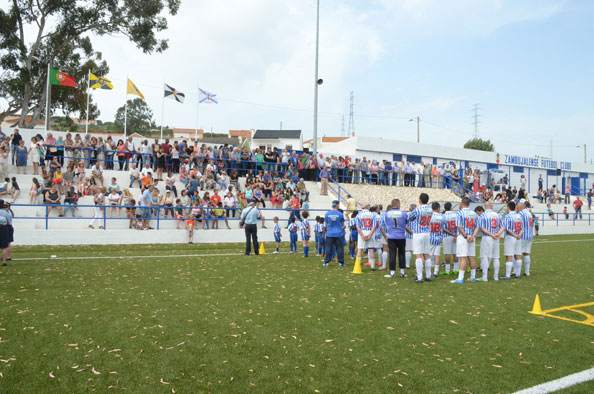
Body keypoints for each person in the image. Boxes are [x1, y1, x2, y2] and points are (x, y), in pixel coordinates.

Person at [451, 197, 479, 284]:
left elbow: (459, 227)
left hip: (463, 237)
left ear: (462, 204)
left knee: (462, 258)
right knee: (471, 257)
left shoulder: (459, 213)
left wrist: (466, 237)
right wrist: (473, 236)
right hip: (471, 236)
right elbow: (477, 226)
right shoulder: (474, 213)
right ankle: (473, 277)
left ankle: (460, 278)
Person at [407, 193, 433, 283]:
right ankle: (428, 275)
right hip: (427, 233)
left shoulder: (417, 210)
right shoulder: (430, 210)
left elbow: (409, 218)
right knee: (426, 254)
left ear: (420, 200)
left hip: (418, 233)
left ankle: (419, 277)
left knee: (418, 255)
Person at [479, 201, 504, 281]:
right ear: (491, 206)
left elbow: (482, 228)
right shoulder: (497, 215)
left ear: (485, 207)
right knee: (496, 257)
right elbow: (503, 227)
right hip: (496, 238)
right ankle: (496, 276)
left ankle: (485, 277)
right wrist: (497, 234)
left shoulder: (482, 215)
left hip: (487, 237)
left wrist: (491, 234)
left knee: (485, 257)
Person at [384, 199, 408, 279]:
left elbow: (386, 223)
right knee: (401, 254)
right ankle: (402, 272)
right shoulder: (403, 213)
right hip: (401, 236)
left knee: (392, 254)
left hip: (391, 236)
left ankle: (392, 273)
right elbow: (406, 222)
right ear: (397, 204)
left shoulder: (387, 213)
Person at [502, 201, 523, 280]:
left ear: (508, 208)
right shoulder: (519, 216)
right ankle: (518, 274)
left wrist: (514, 235)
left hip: (510, 237)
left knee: (509, 255)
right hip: (518, 237)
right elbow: (522, 228)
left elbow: (508, 229)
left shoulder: (507, 217)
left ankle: (508, 275)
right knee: (518, 255)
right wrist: (519, 235)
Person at [355, 203, 378, 270]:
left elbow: (358, 226)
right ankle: (372, 266)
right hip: (370, 231)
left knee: (360, 249)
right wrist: (370, 234)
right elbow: (374, 226)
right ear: (368, 207)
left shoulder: (359, 215)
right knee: (371, 249)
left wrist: (362, 235)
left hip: (362, 231)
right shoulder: (372, 215)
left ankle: (358, 265)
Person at [323, 200, 345, 267]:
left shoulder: (327, 214)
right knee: (340, 248)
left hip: (330, 233)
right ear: (337, 205)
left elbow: (326, 224)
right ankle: (341, 262)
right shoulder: (340, 214)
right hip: (338, 233)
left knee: (328, 248)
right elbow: (342, 224)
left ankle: (326, 262)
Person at [517, 202, 534, 276]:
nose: (516, 208)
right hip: (529, 235)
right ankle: (527, 272)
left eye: (517, 206)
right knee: (526, 253)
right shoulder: (529, 213)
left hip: (522, 235)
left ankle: (516, 271)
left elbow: (517, 223)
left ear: (521, 207)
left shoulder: (520, 213)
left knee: (517, 253)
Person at [442, 202, 459, 275]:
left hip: (446, 236)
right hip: (455, 235)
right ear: (451, 207)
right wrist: (455, 235)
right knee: (455, 253)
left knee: (447, 253)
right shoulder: (456, 215)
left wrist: (451, 233)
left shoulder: (443, 216)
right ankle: (455, 269)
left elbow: (443, 228)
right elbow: (459, 226)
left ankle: (448, 270)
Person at [429, 202, 444, 278]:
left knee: (427, 255)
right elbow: (442, 227)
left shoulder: (429, 216)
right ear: (438, 208)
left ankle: (428, 272)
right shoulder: (441, 217)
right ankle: (435, 272)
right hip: (438, 237)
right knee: (437, 255)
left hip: (430, 238)